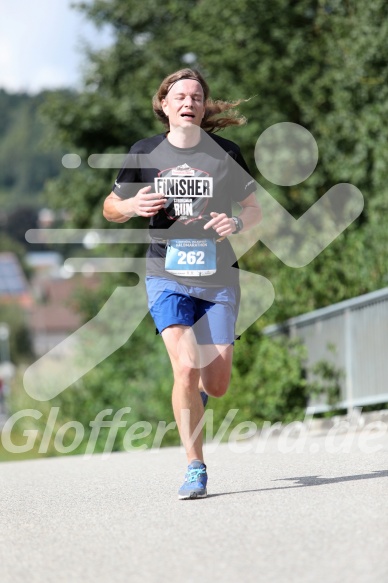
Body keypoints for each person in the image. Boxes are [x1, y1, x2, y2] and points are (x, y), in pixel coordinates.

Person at [103, 68, 262, 499]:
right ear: (164, 105)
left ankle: (196, 398)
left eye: (196, 96)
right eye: (180, 96)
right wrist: (132, 205)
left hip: (218, 279)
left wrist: (235, 220)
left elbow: (254, 209)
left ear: (203, 106)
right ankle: (196, 467)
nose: (188, 102)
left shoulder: (225, 152)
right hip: (166, 274)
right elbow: (110, 207)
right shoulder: (144, 152)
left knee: (216, 384)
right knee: (185, 368)